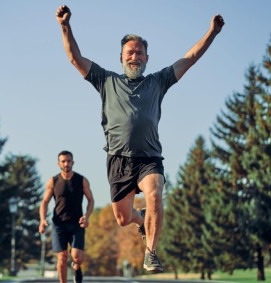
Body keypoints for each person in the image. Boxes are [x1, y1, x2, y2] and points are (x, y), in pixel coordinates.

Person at [55, 5, 224, 272]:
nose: (134, 56)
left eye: (139, 52)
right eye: (129, 52)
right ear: (121, 57)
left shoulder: (159, 81)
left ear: (147, 58)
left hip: (149, 158)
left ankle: (151, 252)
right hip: (118, 160)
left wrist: (212, 32)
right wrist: (65, 25)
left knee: (155, 194)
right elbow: (75, 58)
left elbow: (189, 58)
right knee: (123, 218)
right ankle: (141, 219)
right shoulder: (105, 80)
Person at [39, 150, 94, 283]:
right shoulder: (53, 181)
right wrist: (42, 220)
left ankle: (76, 267)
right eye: (63, 161)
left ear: (72, 162)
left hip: (77, 224)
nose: (66, 163)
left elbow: (91, 200)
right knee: (62, 257)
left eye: (68, 161)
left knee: (77, 257)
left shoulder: (82, 180)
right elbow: (44, 202)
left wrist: (86, 216)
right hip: (59, 224)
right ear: (59, 163)